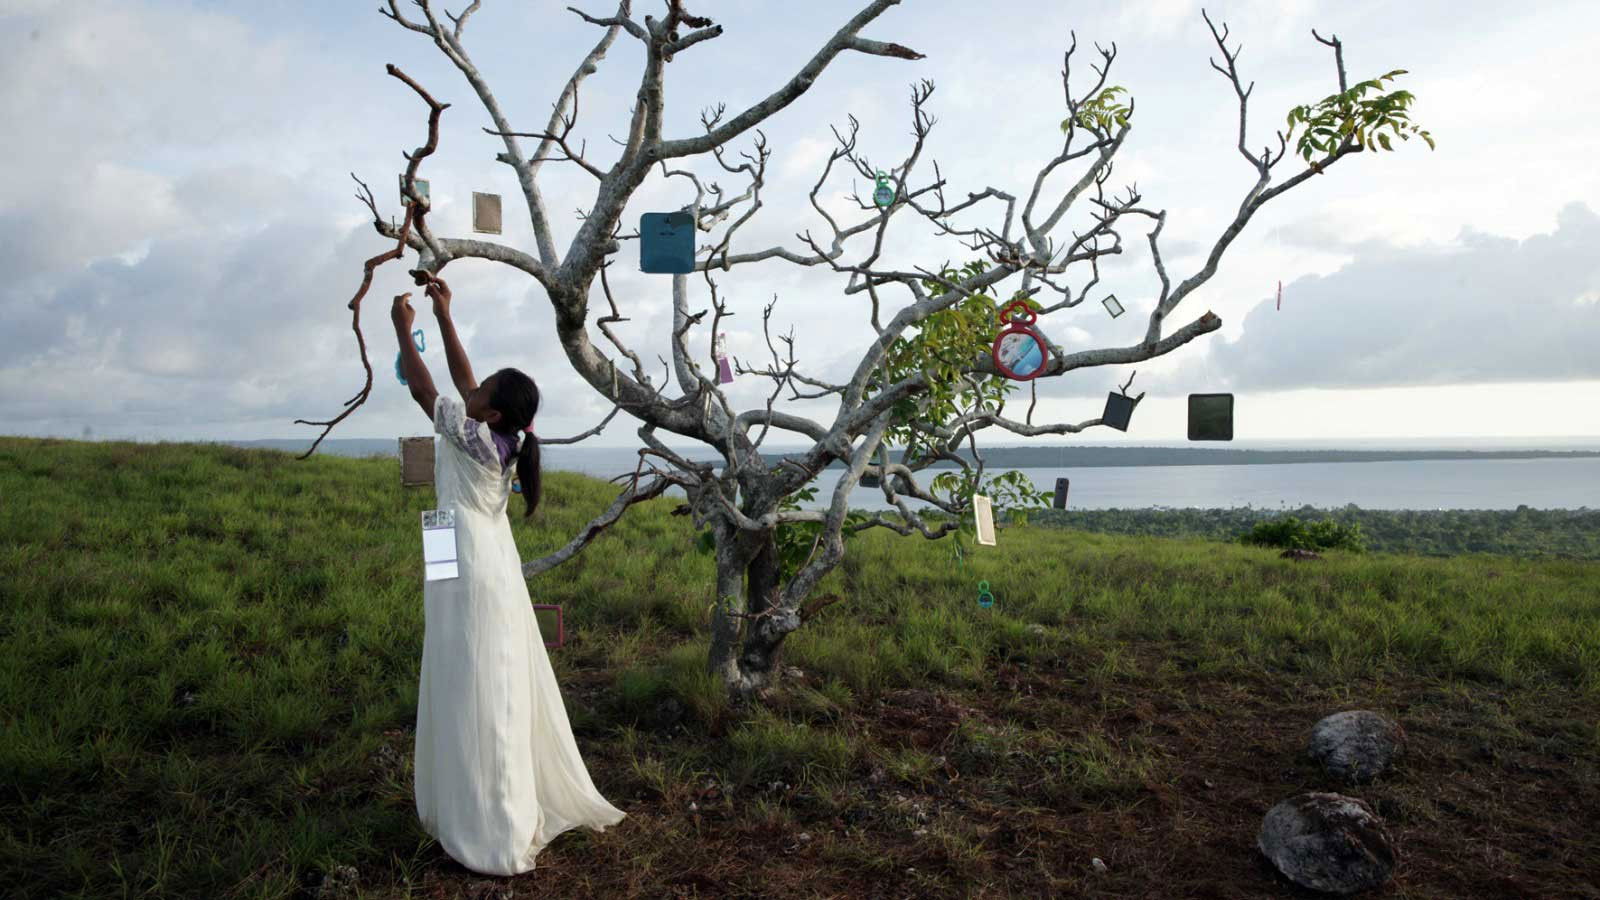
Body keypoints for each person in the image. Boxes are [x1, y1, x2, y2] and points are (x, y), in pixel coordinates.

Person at [391, 273, 625, 877]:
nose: (474, 388)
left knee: (473, 674)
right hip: (473, 547)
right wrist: (444, 314)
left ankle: (491, 819)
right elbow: (466, 382)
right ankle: (475, 798)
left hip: (467, 556)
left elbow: (426, 389)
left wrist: (401, 331)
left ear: (491, 411)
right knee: (464, 664)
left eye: (484, 390)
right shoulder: (502, 435)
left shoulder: (470, 432)